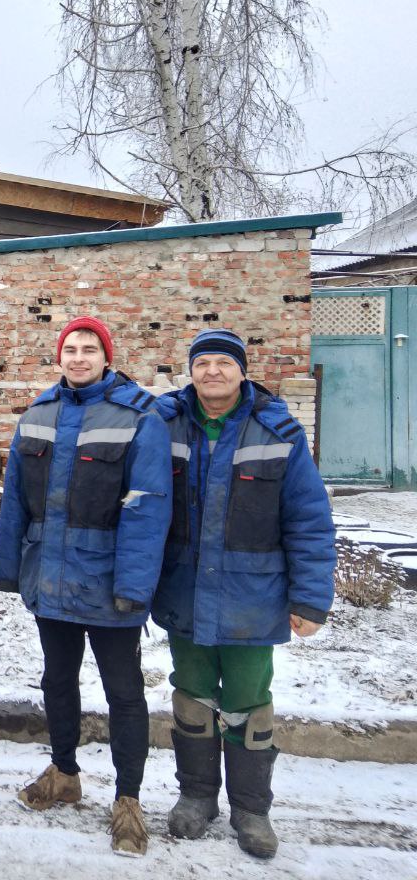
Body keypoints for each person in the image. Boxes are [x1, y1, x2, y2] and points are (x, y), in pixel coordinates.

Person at [153, 329, 336, 859]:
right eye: (202, 362)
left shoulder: (278, 430)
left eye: (223, 363)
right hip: (184, 591)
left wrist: (310, 599)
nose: (212, 371)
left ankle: (252, 810)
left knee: (248, 705)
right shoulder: (164, 425)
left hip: (252, 600)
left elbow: (308, 519)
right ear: (190, 370)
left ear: (241, 370)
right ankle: (196, 797)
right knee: (191, 696)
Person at [0, 316, 171, 857]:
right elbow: (15, 500)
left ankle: (128, 801)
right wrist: (10, 570)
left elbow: (148, 506)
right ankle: (65, 772)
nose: (78, 357)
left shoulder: (140, 416)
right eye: (70, 348)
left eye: (89, 349)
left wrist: (134, 586)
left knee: (123, 693)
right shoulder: (39, 415)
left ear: (106, 356)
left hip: (110, 583)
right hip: (51, 577)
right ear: (60, 356)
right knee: (57, 680)